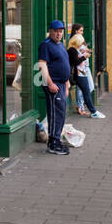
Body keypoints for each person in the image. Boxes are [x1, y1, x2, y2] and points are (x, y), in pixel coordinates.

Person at [37, 20, 71, 155]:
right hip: (53, 84)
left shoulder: (60, 45)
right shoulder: (46, 45)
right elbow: (42, 65)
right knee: (55, 113)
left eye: (61, 31)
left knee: (60, 113)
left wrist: (67, 85)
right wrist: (50, 83)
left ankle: (56, 139)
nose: (58, 34)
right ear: (50, 31)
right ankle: (53, 143)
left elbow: (65, 63)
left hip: (61, 84)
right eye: (56, 31)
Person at [67, 23, 105, 119]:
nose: (81, 44)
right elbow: (76, 62)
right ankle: (92, 111)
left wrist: (83, 53)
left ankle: (92, 111)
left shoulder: (74, 49)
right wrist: (84, 56)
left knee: (86, 91)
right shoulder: (72, 50)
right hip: (79, 73)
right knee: (86, 92)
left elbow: (77, 59)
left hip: (81, 72)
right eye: (80, 42)